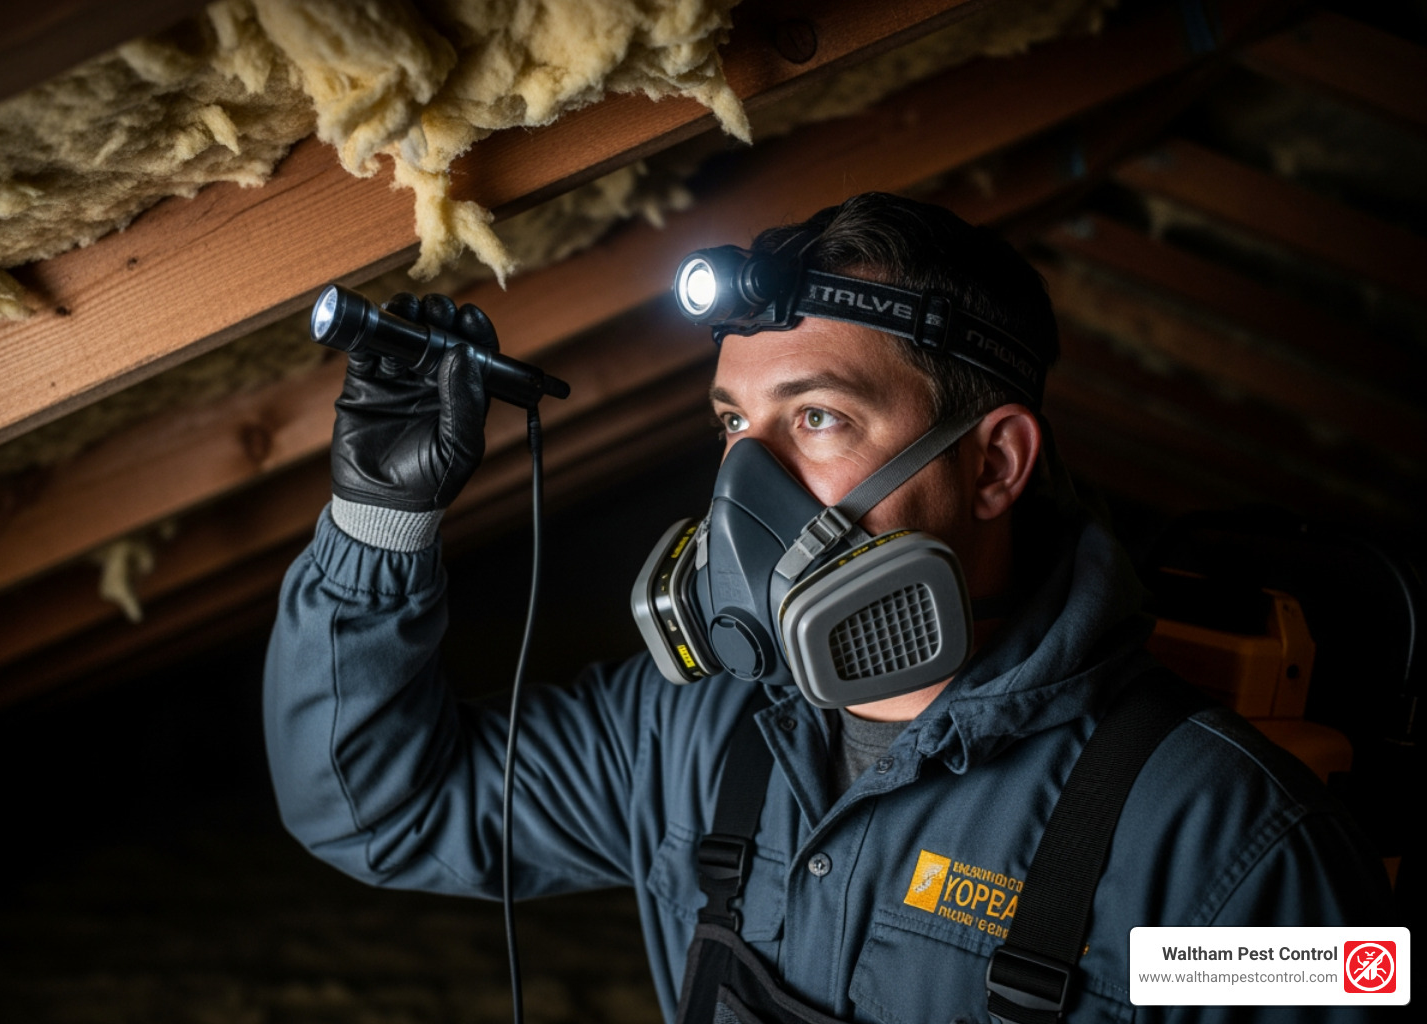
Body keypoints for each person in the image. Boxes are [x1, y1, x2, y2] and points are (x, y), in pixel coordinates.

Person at [264, 193, 1392, 1023]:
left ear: (995, 464)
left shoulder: (1219, 844)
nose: (740, 490)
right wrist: (378, 518)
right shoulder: (691, 731)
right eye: (731, 426)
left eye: (816, 419)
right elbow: (379, 810)